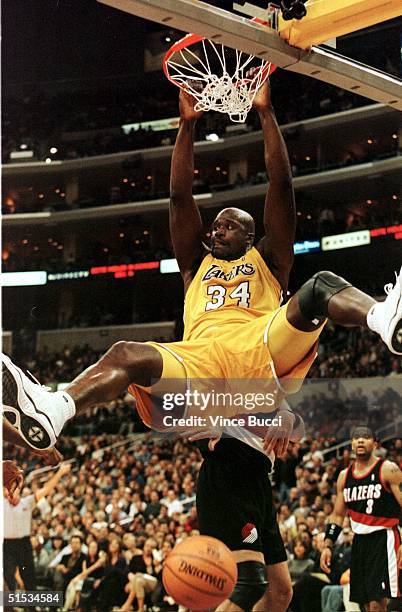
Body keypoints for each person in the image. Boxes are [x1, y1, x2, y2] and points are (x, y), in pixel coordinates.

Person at [1, 79, 402, 608]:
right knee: (126, 355)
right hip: (204, 364)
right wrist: (186, 126)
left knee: (321, 286)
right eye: (213, 227)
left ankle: (383, 318)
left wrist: (265, 115)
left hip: (260, 349)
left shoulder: (269, 263)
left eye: (230, 225)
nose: (217, 230)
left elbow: (281, 187)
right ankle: (56, 407)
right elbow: (178, 196)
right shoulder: (195, 269)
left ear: (250, 233)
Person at [320, 426, 402, 611]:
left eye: (365, 437)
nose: (360, 441)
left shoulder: (388, 469)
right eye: (356, 438)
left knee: (377, 603)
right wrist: (327, 545)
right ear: (351, 444)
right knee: (364, 603)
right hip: (359, 542)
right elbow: (337, 515)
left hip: (384, 538)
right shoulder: (344, 477)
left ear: (375, 443)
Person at [3, 462, 71, 592]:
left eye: (15, 487)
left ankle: (31, 607)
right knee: (8, 579)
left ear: (19, 488)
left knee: (29, 580)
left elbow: (46, 489)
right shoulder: (2, 504)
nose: (11, 490)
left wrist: (60, 472)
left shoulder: (27, 502)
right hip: (7, 545)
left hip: (24, 544)